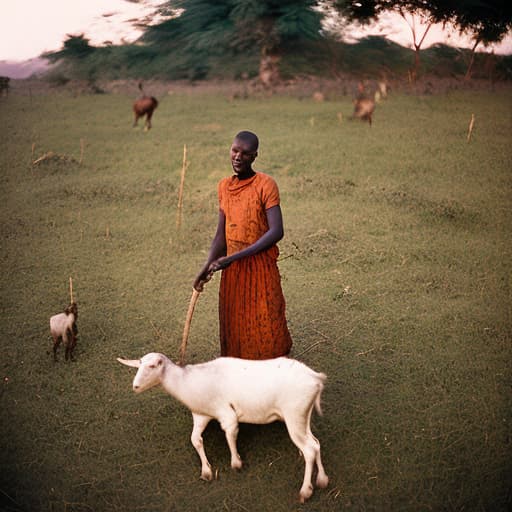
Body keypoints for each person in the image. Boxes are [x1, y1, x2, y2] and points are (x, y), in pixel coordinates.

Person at [193, 131, 292, 360]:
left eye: (245, 154)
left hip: (260, 268)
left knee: (265, 319)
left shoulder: (265, 185)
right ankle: (240, 375)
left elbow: (277, 231)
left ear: (254, 156)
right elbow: (221, 235)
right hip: (233, 273)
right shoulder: (224, 187)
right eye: (235, 150)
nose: (238, 157)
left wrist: (232, 258)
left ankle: (273, 370)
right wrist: (206, 266)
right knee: (236, 322)